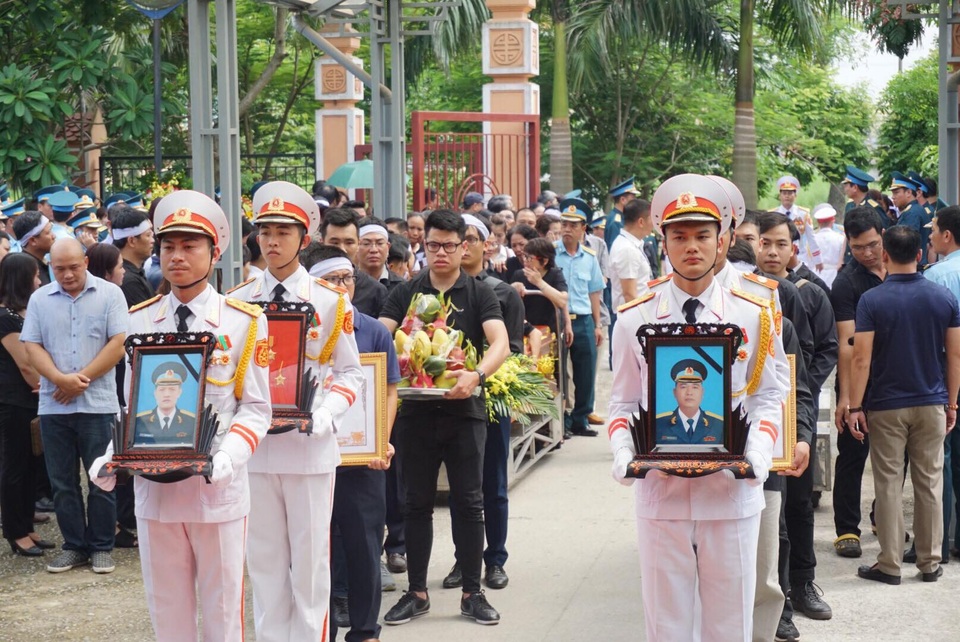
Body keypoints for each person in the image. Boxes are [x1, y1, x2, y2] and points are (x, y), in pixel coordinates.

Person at [89, 190, 272, 640]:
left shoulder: (243, 321)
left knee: (223, 612)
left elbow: (256, 407)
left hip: (217, 491)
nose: (177, 256)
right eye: (168, 246)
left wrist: (226, 458)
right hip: (158, 495)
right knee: (167, 614)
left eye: (190, 246)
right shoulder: (139, 320)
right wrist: (112, 455)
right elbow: (135, 408)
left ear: (214, 254)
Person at [608, 173, 781, 641]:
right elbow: (623, 399)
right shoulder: (635, 317)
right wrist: (624, 453)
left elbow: (769, 393)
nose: (692, 247)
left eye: (703, 235)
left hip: (731, 490)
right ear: (660, 240)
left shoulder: (754, 309)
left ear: (722, 240)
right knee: (666, 626)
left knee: (730, 626)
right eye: (679, 236)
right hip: (660, 493)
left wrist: (760, 455)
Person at [229, 180, 363, 641]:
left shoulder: (329, 301)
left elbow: (351, 374)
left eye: (284, 232)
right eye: (265, 231)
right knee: (263, 564)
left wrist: (326, 413)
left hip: (309, 450)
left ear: (304, 239)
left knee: (309, 567)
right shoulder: (240, 301)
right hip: (257, 450)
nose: (272, 241)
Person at [379, 209, 510, 627]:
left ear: (464, 247)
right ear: (423, 245)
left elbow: (500, 342)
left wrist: (475, 375)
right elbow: (381, 337)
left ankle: (472, 591)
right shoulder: (406, 292)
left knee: (469, 503)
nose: (440, 252)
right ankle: (416, 592)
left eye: (449, 246)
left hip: (463, 409)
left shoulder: (478, 293)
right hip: (415, 411)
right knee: (415, 502)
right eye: (432, 245)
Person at [848, 225, 960, 585]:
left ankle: (890, 563)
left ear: (884, 255)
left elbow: (861, 359)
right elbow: (955, 355)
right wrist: (952, 403)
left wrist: (853, 406)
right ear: (918, 255)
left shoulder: (872, 301)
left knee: (889, 482)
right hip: (932, 402)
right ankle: (929, 563)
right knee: (929, 482)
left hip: (886, 405)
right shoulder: (943, 298)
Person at [21, 238, 128, 574]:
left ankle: (101, 547)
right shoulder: (40, 299)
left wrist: (77, 380)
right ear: (50, 266)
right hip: (55, 409)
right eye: (59, 268)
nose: (66, 275)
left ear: (85, 261)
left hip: (98, 405)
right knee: (62, 483)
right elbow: (31, 345)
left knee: (101, 479)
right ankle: (74, 546)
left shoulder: (110, 294)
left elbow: (119, 343)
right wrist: (57, 378)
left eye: (73, 267)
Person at [309, 244, 399, 642]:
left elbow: (390, 390)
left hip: (363, 462)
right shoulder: (302, 332)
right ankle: (320, 628)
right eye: (331, 281)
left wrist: (381, 440)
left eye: (347, 278)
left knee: (364, 547)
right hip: (312, 459)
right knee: (316, 550)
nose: (342, 288)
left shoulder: (374, 330)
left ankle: (365, 630)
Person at [439, 213, 525, 592]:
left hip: (491, 399)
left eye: (472, 238)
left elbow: (515, 351)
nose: (467, 245)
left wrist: (488, 378)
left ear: (484, 245)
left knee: (492, 483)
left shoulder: (502, 292)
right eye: (462, 238)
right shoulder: (436, 291)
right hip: (451, 402)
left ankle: (496, 559)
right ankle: (464, 559)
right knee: (461, 487)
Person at [831, 206, 887, 558]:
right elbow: (846, 345)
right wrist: (849, 400)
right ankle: (847, 529)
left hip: (895, 379)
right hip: (857, 380)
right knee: (853, 455)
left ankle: (884, 517)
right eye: (857, 247)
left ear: (882, 235)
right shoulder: (846, 283)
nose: (866, 253)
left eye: (872, 244)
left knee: (894, 457)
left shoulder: (900, 267)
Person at [0, 254, 48, 557]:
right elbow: (27, 364)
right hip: (13, 400)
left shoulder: (23, 313)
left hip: (30, 399)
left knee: (32, 465)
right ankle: (15, 531)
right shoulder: (6, 317)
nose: (39, 281)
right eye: (34, 276)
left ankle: (27, 524)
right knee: (14, 465)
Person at [924, 206, 960, 563]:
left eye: (933, 230)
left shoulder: (937, 277)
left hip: (944, 373)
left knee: (940, 458)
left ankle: (935, 542)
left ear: (947, 235)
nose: (931, 236)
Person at [554, 198, 604, 438]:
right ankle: (561, 417)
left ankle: (580, 418)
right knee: (559, 370)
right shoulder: (551, 253)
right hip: (556, 319)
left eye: (573, 225)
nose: (567, 228)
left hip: (583, 318)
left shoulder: (589, 257)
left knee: (586, 371)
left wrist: (597, 324)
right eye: (564, 223)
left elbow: (595, 291)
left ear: (583, 228)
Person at [654, 360, 723, 446]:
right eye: (683, 387)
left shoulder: (718, 425)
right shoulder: (658, 424)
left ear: (702, 392)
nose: (689, 392)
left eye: (695, 387)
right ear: (675, 392)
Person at [133, 362, 196, 446]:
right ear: (155, 393)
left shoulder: (191, 421)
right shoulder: (140, 421)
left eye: (172, 389)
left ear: (179, 392)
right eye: (162, 389)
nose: (167, 394)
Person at [608, 198, 653, 309]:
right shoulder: (627, 249)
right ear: (641, 222)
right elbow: (630, 296)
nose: (654, 223)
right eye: (651, 218)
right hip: (632, 317)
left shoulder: (631, 244)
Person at [772, 176, 822, 272]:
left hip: (800, 257)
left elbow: (811, 238)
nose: (787, 196)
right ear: (780, 195)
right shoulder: (773, 213)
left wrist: (818, 260)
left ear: (795, 195)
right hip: (779, 256)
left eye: (790, 193)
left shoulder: (803, 214)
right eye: (784, 193)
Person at [891, 171, 933, 266]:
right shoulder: (916, 209)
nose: (893, 197)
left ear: (909, 192)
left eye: (896, 192)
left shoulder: (911, 213)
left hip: (911, 266)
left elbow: (905, 244)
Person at [12, 211, 55, 285]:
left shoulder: (42, 263)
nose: (54, 236)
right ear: (33, 240)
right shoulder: (27, 272)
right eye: (48, 232)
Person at [812, 204, 845, 288]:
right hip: (834, 275)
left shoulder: (812, 240)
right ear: (833, 220)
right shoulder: (840, 238)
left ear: (818, 222)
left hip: (816, 274)